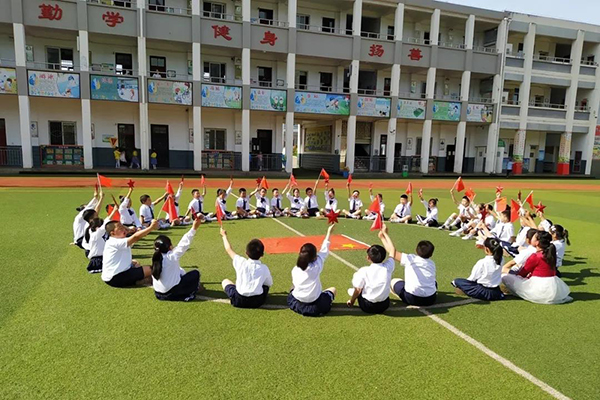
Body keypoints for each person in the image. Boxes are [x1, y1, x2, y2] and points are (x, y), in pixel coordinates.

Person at [501, 231, 572, 304]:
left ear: (537, 242)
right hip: (553, 287)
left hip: (538, 288)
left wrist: (509, 271)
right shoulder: (551, 254)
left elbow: (522, 273)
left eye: (534, 237)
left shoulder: (535, 256)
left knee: (504, 276)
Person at [288, 225, 337, 317]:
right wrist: (329, 232)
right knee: (333, 289)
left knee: (292, 286)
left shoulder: (295, 269)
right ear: (315, 257)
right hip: (316, 305)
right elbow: (324, 250)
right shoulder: (317, 266)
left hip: (297, 302)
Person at [347, 224, 396, 314]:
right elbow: (392, 249)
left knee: (357, 286)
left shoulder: (364, 270)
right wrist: (384, 235)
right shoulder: (388, 267)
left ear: (368, 258)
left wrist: (352, 301)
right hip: (384, 305)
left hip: (367, 306)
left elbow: (358, 290)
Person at [152, 217, 203, 302]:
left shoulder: (156, 257)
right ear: (169, 247)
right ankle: (189, 293)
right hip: (171, 293)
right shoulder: (171, 256)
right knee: (196, 273)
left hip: (158, 293)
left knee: (181, 271)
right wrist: (194, 228)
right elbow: (184, 244)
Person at [220, 228, 273, 309]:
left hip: (239, 300)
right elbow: (269, 284)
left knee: (225, 281)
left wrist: (224, 236)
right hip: (257, 302)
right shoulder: (264, 268)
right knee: (265, 286)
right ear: (262, 255)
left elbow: (228, 249)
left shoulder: (240, 262)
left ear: (246, 253)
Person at [101, 220, 158, 288]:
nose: (123, 229)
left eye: (123, 226)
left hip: (111, 277)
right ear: (112, 233)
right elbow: (135, 237)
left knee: (136, 263)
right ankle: (140, 281)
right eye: (120, 228)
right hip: (116, 277)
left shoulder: (113, 241)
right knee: (152, 269)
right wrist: (151, 228)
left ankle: (139, 279)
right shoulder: (115, 242)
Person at [390, 235, 437, 306]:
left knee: (393, 281)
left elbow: (392, 251)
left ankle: (401, 295)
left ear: (416, 250)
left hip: (411, 298)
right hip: (430, 299)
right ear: (431, 254)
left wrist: (384, 235)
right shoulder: (432, 263)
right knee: (434, 283)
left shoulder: (410, 258)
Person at [84, 204, 118, 274]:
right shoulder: (96, 234)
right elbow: (106, 223)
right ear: (97, 227)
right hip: (98, 260)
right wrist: (114, 211)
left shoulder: (91, 231)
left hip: (102, 257)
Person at [72, 186, 101, 250]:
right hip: (81, 239)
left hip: (84, 238)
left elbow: (94, 211)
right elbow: (92, 209)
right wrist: (96, 197)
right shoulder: (79, 218)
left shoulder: (86, 218)